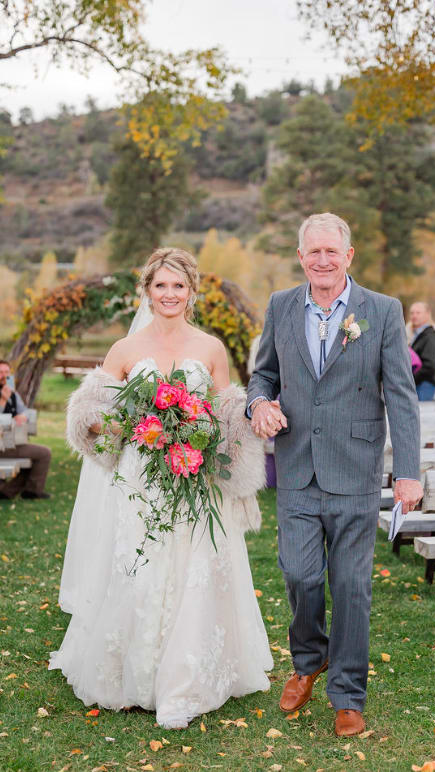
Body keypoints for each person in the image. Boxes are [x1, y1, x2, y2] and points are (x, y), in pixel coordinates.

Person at [49, 247, 273, 728]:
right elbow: (93, 412)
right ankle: (135, 674)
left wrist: (218, 434)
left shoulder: (211, 348)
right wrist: (109, 425)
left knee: (193, 568)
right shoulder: (124, 349)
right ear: (147, 291)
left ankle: (183, 681)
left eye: (178, 286)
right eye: (161, 285)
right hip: (140, 479)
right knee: (140, 564)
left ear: (191, 292)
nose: (169, 294)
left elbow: (225, 414)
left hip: (194, 476)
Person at [247, 213, 422, 737]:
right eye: (313, 251)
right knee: (300, 577)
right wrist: (258, 404)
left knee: (350, 587)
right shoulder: (280, 305)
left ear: (348, 256)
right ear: (300, 257)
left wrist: (407, 473)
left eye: (331, 251)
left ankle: (347, 693)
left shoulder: (382, 311)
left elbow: (402, 395)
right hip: (297, 468)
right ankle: (309, 659)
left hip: (356, 470)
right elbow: (263, 374)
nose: (322, 260)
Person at [0, 359, 51, 500]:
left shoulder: (12, 393)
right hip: (2, 447)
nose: (4, 376)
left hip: (11, 445)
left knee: (41, 453)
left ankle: (13, 491)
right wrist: (3, 401)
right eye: (0, 372)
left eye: (6, 372)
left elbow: (24, 411)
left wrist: (22, 416)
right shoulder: (5, 395)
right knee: (43, 454)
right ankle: (27, 491)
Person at [408, 302, 435, 401]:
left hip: (424, 386)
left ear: (427, 314)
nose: (414, 316)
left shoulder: (430, 337)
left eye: (418, 313)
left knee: (421, 411)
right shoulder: (416, 336)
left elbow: (431, 366)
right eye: (412, 313)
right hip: (417, 384)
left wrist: (410, 380)